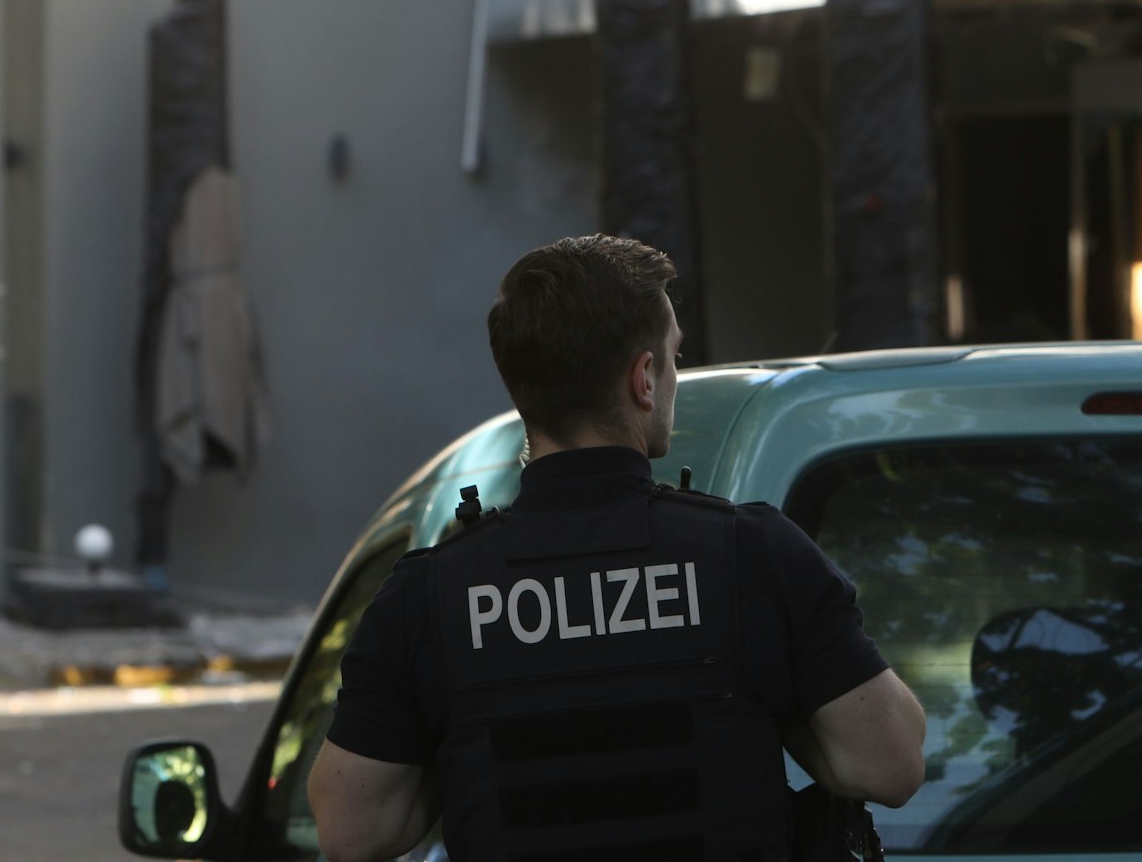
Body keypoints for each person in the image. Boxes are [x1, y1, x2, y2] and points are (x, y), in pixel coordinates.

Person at [309, 234, 925, 862]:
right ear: (644, 380)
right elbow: (892, 766)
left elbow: (350, 831)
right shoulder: (753, 556)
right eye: (673, 356)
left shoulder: (428, 597)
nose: (675, 376)